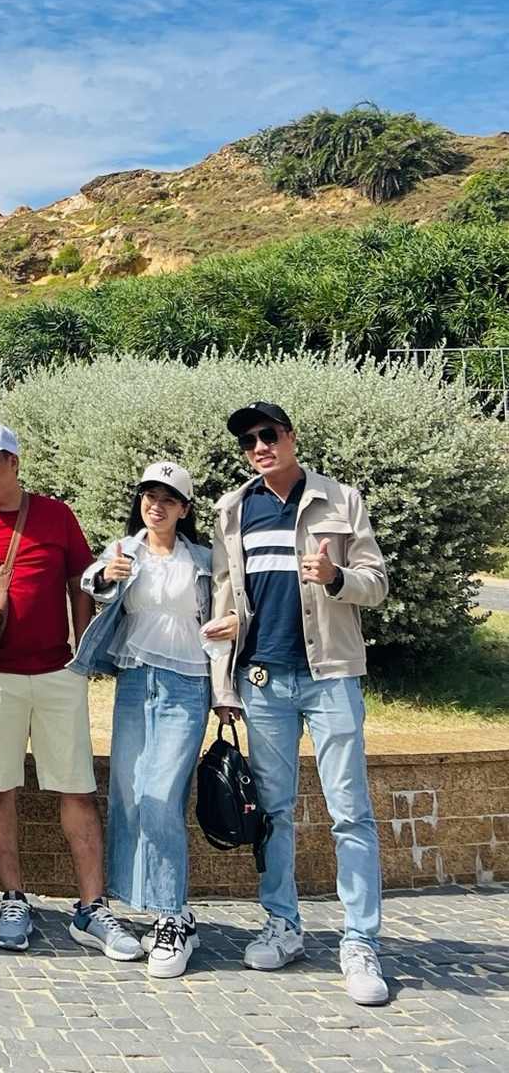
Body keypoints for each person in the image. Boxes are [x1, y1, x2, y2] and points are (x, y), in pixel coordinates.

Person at [211, 402, 390, 1006]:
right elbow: (228, 597)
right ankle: (283, 924)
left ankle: (360, 941)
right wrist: (224, 680)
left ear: (290, 437)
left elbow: (377, 584)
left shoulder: (340, 499)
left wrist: (336, 577)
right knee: (273, 811)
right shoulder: (233, 510)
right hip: (263, 678)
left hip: (330, 675)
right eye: (248, 441)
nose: (259, 447)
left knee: (350, 812)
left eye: (268, 435)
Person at [0, 421, 141, 960]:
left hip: (57, 672)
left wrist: (81, 652)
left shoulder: (56, 515)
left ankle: (92, 908)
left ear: (13, 462)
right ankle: (13, 900)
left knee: (75, 787)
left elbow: (80, 581)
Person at [70, 461, 232, 978]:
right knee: (131, 793)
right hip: (136, 681)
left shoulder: (203, 559)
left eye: (167, 498)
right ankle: (158, 906)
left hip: (188, 684)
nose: (156, 506)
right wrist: (106, 576)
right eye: (149, 496)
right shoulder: (126, 550)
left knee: (162, 795)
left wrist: (226, 690)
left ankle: (172, 916)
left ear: (184, 509)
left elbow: (231, 611)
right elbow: (91, 580)